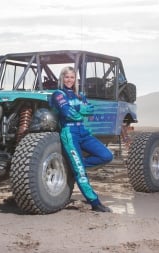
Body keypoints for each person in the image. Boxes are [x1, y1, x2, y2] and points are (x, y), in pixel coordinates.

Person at [49, 66, 114, 213]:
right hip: (69, 132)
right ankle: (95, 202)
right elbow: (67, 113)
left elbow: (90, 111)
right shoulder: (58, 94)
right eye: (67, 77)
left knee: (106, 155)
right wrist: (80, 111)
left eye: (72, 77)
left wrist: (78, 111)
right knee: (80, 173)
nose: (69, 80)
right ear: (62, 78)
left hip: (83, 131)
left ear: (75, 79)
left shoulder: (79, 95)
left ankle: (76, 166)